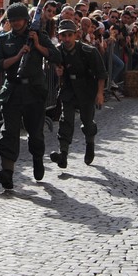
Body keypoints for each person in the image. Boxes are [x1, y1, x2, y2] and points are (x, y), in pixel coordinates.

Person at [0, 2, 60, 189]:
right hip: (12, 90)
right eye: (11, 20)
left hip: (34, 92)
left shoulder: (37, 36)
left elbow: (55, 56)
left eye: (18, 20)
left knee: (35, 132)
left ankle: (38, 158)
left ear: (26, 20)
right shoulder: (2, 40)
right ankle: (7, 172)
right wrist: (17, 56)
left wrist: (37, 44)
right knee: (9, 132)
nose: (14, 23)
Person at [49, 19, 106, 168]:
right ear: (59, 36)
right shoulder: (58, 50)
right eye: (63, 35)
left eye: (69, 35)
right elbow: (51, 63)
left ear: (76, 35)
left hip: (86, 89)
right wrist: (57, 70)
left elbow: (101, 74)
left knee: (87, 122)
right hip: (68, 89)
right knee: (65, 120)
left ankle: (90, 143)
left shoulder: (89, 51)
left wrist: (100, 94)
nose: (66, 39)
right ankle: (63, 154)